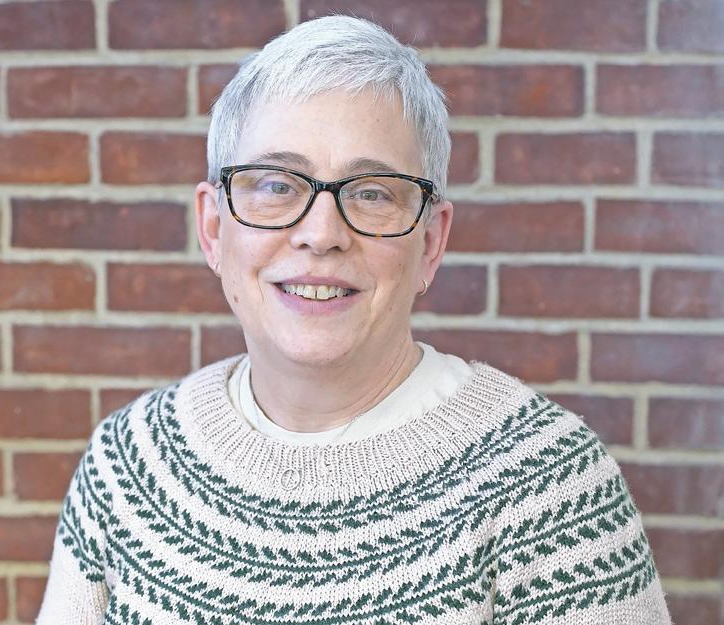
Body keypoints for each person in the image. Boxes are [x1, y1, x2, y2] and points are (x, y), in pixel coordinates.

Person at [36, 15, 672, 624]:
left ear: (430, 242)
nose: (321, 234)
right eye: (277, 185)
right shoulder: (128, 464)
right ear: (212, 228)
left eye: (371, 193)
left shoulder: (550, 487)